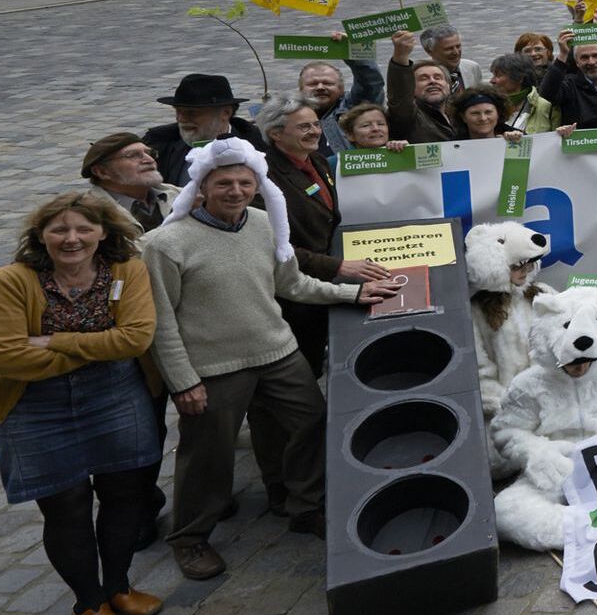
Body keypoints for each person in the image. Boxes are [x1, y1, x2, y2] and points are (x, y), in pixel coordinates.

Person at [142, 140, 401, 580]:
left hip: (277, 351)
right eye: (224, 182)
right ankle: (190, 538)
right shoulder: (166, 243)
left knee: (307, 423)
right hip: (214, 367)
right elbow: (160, 321)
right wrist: (183, 381)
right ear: (201, 186)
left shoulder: (262, 223)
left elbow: (293, 284)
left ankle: (301, 504)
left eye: (245, 182)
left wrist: (352, 293)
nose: (236, 190)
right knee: (208, 454)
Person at [0, 194, 166, 615]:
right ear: (40, 236)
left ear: (104, 232)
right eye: (59, 230)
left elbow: (135, 339)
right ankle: (88, 601)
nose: (72, 238)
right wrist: (98, 344)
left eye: (83, 228)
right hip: (35, 406)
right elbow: (7, 357)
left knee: (125, 494)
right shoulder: (9, 281)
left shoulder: (127, 270)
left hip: (116, 396)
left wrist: (53, 342)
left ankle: (118, 586)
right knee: (66, 507)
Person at [256, 92, 391, 379]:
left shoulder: (316, 161)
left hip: (321, 288)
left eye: (315, 124)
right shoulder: (264, 179)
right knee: (299, 373)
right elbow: (271, 247)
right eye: (304, 127)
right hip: (290, 297)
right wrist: (336, 266)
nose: (315, 131)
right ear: (276, 134)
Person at [140, 74, 267, 186]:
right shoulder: (160, 143)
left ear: (226, 113)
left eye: (192, 113)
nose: (181, 119)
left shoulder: (258, 145)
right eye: (178, 111)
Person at [82, 134, 178, 232]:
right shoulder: (87, 214)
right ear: (102, 172)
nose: (150, 160)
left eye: (150, 153)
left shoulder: (181, 194)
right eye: (133, 155)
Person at [385, 30, 458, 142]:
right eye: (423, 78)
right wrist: (400, 56)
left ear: (448, 85)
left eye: (438, 77)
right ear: (411, 89)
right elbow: (400, 94)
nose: (432, 81)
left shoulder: (460, 115)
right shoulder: (410, 117)